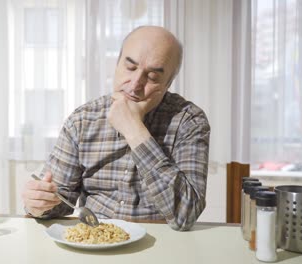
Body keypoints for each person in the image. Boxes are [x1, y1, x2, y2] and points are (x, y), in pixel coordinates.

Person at [22, 26, 210, 231]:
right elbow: (59, 200)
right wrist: (40, 204)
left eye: (153, 77)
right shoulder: (83, 120)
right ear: (117, 64)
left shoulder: (189, 121)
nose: (135, 84)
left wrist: (134, 130)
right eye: (130, 68)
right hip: (95, 240)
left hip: (162, 246)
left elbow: (186, 215)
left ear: (168, 83)